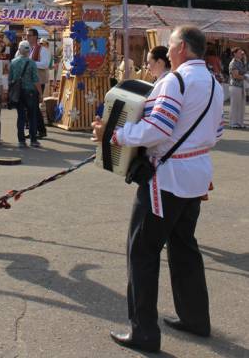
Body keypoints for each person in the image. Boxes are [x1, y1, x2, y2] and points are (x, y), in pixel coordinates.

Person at [92, 26, 224, 353]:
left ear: (179, 48)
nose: (168, 49)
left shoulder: (174, 81)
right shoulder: (214, 84)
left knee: (142, 251)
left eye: (170, 44)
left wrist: (116, 135)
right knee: (184, 247)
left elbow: (157, 128)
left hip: (167, 177)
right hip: (195, 174)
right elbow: (217, 132)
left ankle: (144, 331)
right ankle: (195, 318)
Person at [10, 41, 42, 148]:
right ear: (29, 51)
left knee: (21, 116)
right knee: (32, 116)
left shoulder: (13, 62)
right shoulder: (32, 63)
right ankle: (33, 140)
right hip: (30, 92)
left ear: (19, 50)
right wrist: (40, 94)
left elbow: (11, 79)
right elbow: (36, 80)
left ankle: (21, 141)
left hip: (18, 92)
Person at [26, 28, 49, 138]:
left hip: (39, 81)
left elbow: (45, 64)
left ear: (35, 36)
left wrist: (31, 63)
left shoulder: (42, 50)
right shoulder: (30, 49)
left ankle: (40, 130)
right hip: (31, 81)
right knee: (31, 106)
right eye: (27, 35)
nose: (27, 37)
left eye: (29, 35)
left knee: (34, 106)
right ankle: (34, 131)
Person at [228, 47, 246, 129]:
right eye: (239, 52)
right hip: (235, 86)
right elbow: (236, 76)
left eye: (241, 53)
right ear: (234, 54)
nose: (241, 54)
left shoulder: (241, 62)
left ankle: (240, 122)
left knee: (241, 105)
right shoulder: (233, 63)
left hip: (241, 86)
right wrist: (245, 77)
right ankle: (233, 123)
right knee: (235, 105)